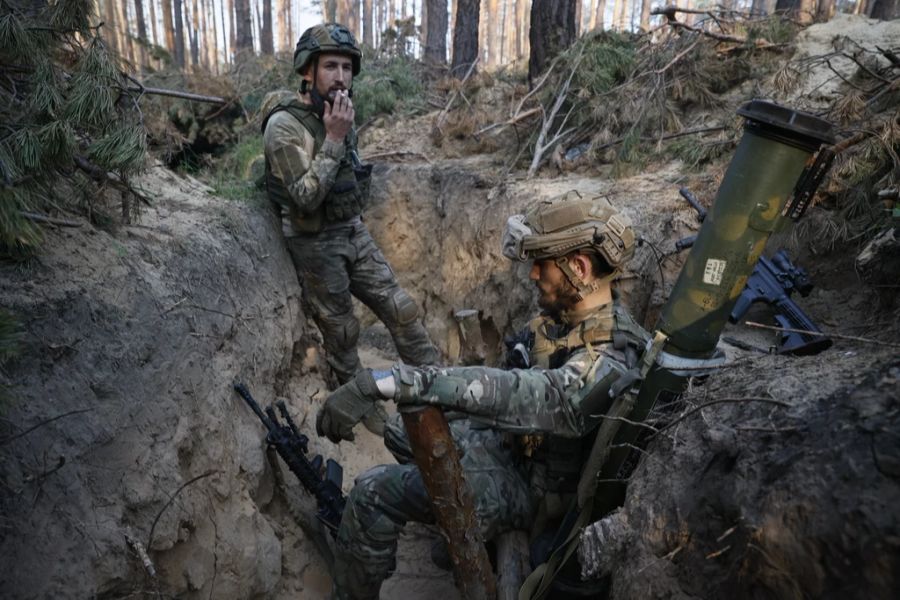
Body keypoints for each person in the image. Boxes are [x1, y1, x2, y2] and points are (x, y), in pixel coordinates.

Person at [316, 190, 650, 599]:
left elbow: (519, 392)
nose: (532, 276)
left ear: (578, 268)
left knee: (372, 492)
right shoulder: (565, 322)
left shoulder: (611, 356)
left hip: (532, 494)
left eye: (540, 265)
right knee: (400, 435)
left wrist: (388, 381)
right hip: (513, 455)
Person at [261, 23, 438, 421]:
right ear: (308, 71)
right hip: (313, 242)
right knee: (342, 332)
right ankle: (361, 407)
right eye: (330, 67)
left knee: (402, 308)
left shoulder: (337, 111)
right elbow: (304, 198)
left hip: (350, 230)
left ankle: (439, 385)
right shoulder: (284, 126)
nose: (341, 76)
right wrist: (335, 137)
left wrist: (339, 134)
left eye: (346, 67)